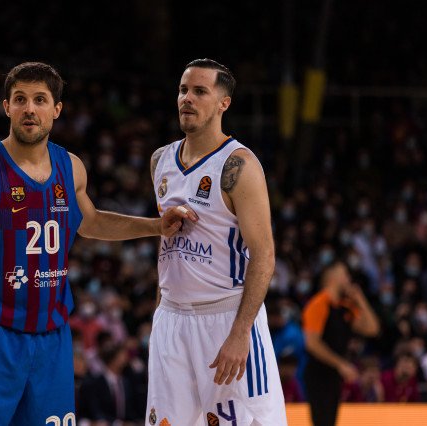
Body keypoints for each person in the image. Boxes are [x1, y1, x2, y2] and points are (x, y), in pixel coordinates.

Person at [0, 62, 196, 425]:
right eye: (20, 99)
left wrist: (156, 226)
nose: (29, 108)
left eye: (40, 100)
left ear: (56, 109)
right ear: (6, 107)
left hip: (52, 340)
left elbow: (90, 221)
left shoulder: (70, 167)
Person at [146, 58, 287, 425]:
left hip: (225, 319)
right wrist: (159, 315)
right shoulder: (160, 160)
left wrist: (241, 333)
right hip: (171, 320)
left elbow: (265, 255)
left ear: (223, 103)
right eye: (182, 90)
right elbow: (167, 246)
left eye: (199, 92)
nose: (186, 99)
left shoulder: (238, 166)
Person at [302, 261, 380, 426]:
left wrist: (361, 300)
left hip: (335, 376)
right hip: (318, 376)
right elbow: (312, 344)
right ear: (332, 279)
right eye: (345, 275)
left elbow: (372, 329)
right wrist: (341, 364)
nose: (348, 279)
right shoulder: (317, 304)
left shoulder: (345, 307)